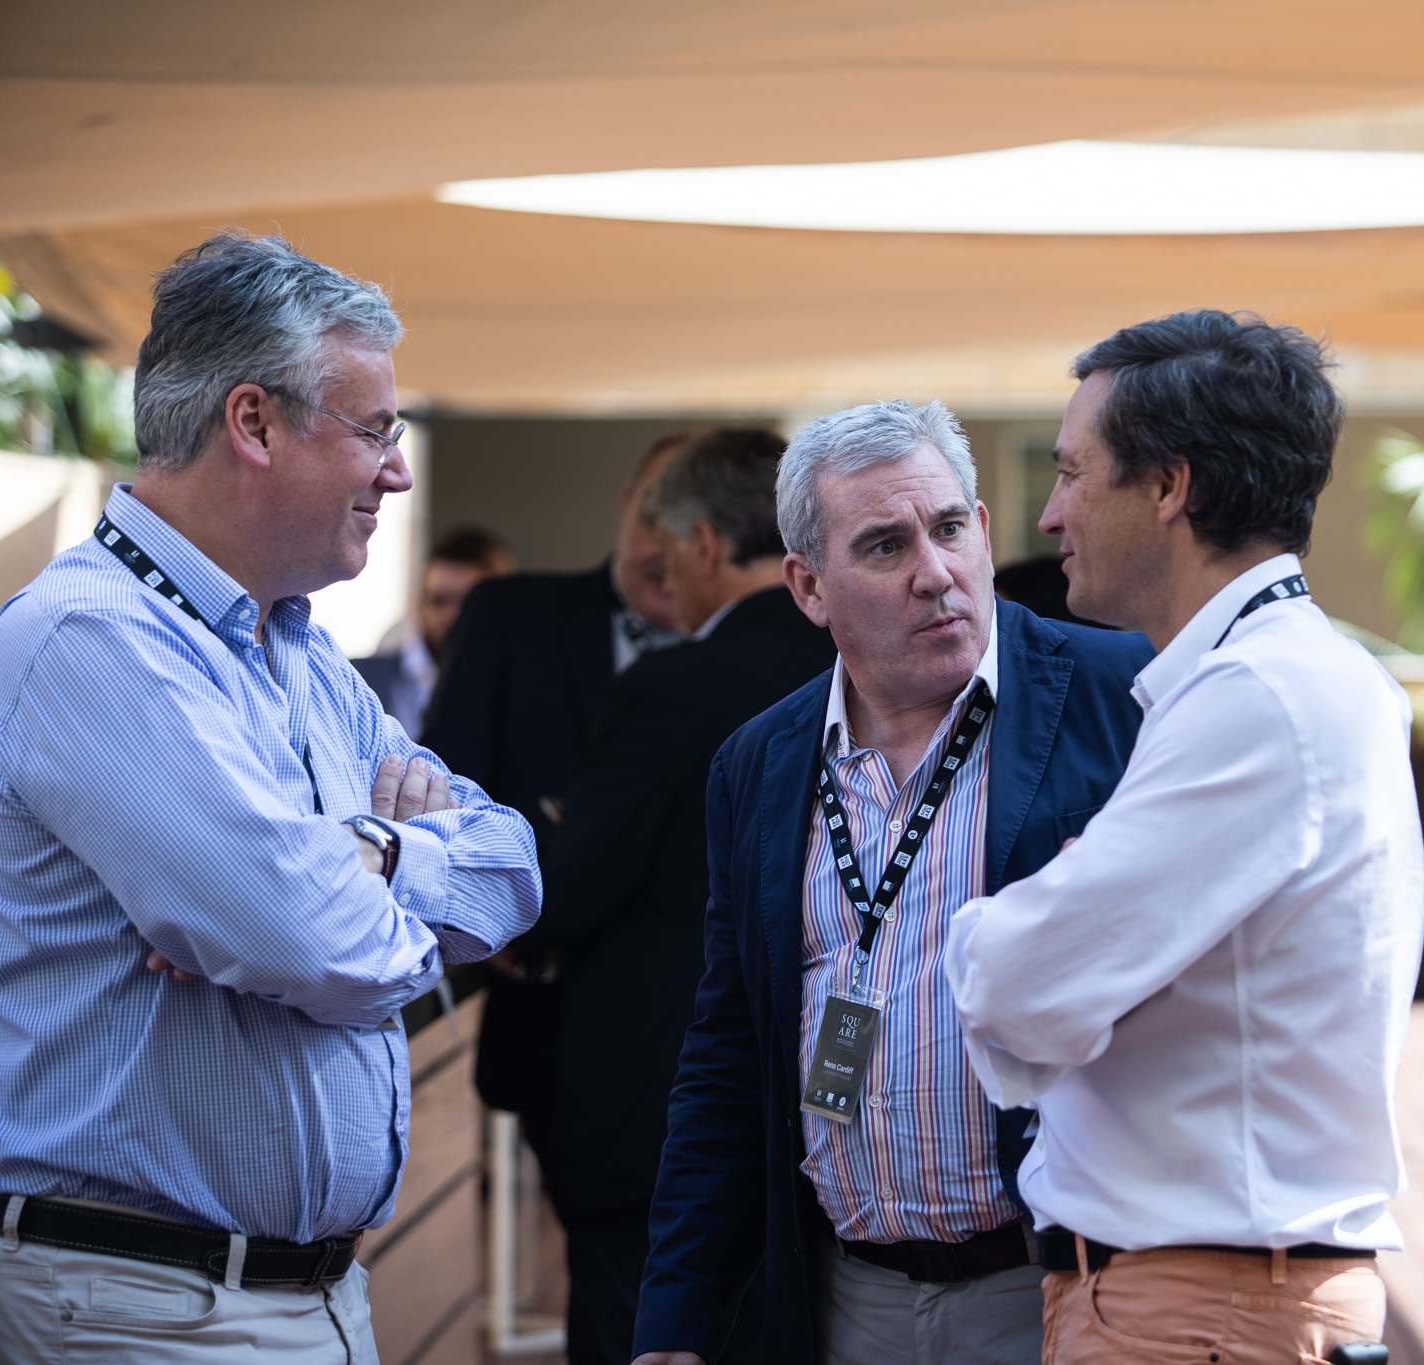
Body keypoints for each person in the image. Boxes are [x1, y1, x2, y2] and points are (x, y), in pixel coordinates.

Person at [0, 231, 541, 1360]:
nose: (397, 470)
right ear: (253, 422)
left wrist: (364, 855)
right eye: (375, 430)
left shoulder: (297, 650)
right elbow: (324, 948)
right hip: (145, 1304)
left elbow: (514, 866)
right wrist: (355, 888)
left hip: (275, 1296)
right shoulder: (91, 640)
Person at [944, 311, 1424, 1365]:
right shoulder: (1284, 679)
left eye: (1072, 472)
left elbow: (1019, 984)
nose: (1050, 512)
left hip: (1196, 1311)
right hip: (1203, 1300)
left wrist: (986, 925)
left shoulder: (1258, 696)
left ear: (1169, 486)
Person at [630, 401, 1152, 1365]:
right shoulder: (758, 764)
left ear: (984, 530)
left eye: (949, 529)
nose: (935, 572)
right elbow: (730, 1052)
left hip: (1059, 1287)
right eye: (884, 546)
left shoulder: (1123, 697)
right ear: (808, 586)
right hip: (847, 1299)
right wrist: (680, 1317)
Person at [521, 427, 837, 1365]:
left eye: (666, 551)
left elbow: (567, 889)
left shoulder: (675, 685)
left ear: (703, 545)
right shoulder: (856, 668)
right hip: (833, 1107)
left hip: (664, 1117)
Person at [422, 434, 690, 1140]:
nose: (675, 545)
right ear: (627, 504)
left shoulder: (776, 653)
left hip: (705, 1042)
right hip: (549, 1029)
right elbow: (443, 792)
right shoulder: (511, 619)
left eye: (700, 523)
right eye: (660, 513)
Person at [357, 525, 514, 735]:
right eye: (439, 601)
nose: (452, 615)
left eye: (469, 602)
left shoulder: (523, 686)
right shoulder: (360, 681)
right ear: (419, 607)